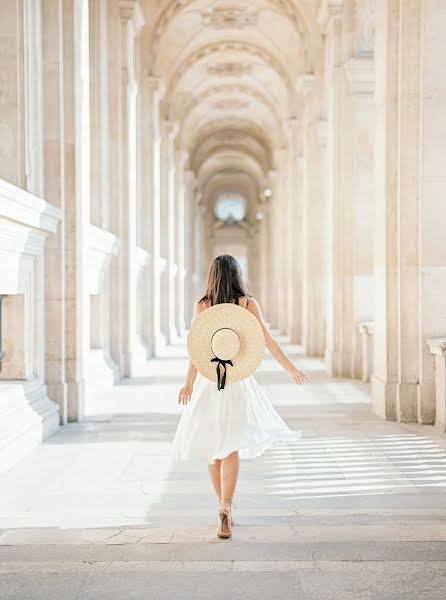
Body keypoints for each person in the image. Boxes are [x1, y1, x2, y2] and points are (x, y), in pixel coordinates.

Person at [171, 254, 309, 538]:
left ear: (212, 276)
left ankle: (219, 507)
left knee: (213, 446)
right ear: (237, 275)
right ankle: (227, 506)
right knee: (230, 443)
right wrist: (291, 369)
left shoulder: (202, 305)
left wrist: (187, 384)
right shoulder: (246, 303)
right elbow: (267, 340)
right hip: (236, 383)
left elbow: (197, 351)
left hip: (210, 383)